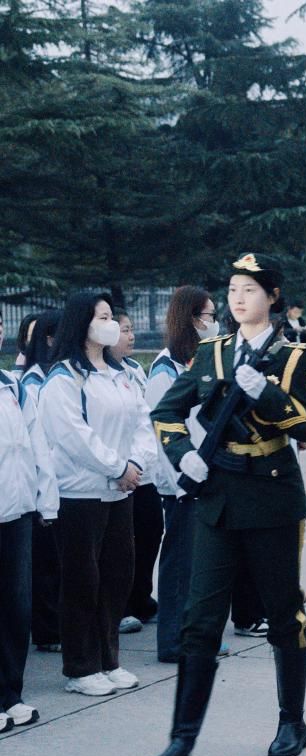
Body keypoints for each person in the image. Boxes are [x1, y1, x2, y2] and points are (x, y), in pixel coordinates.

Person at [139, 253, 306, 756]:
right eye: (233, 290)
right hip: (217, 494)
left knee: (283, 614)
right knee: (200, 621)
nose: (238, 298)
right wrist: (184, 458)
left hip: (272, 496)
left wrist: (268, 394)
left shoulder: (294, 357)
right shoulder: (211, 353)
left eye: (249, 289)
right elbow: (166, 412)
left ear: (272, 297)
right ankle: (180, 744)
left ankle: (292, 722)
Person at [42, 292, 156, 696]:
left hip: (120, 492)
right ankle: (80, 667)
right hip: (80, 495)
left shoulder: (120, 372)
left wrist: (135, 464)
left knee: (116, 576)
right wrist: (117, 468)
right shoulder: (64, 377)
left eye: (111, 317)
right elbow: (73, 435)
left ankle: (109, 660)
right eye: (103, 318)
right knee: (81, 581)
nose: (110, 325)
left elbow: (142, 421)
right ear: (82, 323)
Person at [145, 286, 216, 663]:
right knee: (179, 565)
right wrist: (181, 481)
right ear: (190, 317)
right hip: (181, 482)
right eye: (208, 316)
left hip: (204, 475)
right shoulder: (165, 367)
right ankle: (172, 642)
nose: (214, 322)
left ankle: (194, 635)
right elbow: (161, 427)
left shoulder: (198, 360)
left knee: (199, 566)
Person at [0, 316, 59, 730]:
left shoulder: (12, 385)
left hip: (16, 512)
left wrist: (45, 500)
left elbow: (37, 444)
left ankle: (11, 693)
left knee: (16, 607)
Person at [112, 310, 165, 633]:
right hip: (119, 473)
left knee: (150, 533)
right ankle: (121, 606)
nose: (131, 336)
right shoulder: (97, 374)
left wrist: (143, 461)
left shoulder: (134, 369)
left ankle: (142, 598)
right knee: (121, 546)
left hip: (143, 472)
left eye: (131, 329)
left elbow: (145, 420)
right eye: (124, 330)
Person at [21, 311, 63, 654]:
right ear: (48, 339)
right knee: (45, 564)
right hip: (42, 482)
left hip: (60, 480)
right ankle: (47, 630)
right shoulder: (33, 382)